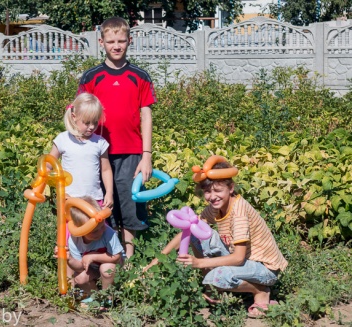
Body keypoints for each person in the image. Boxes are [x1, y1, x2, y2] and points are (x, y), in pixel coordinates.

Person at [145, 160, 288, 318]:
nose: (212, 197)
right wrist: (154, 262)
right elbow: (189, 230)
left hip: (264, 268)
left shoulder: (238, 213)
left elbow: (239, 258)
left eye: (218, 191)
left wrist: (199, 263)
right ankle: (213, 285)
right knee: (195, 233)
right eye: (207, 192)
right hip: (243, 260)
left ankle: (259, 290)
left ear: (231, 188)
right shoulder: (216, 207)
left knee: (216, 277)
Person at [76, 17, 157, 258]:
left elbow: (147, 116)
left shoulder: (139, 76)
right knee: (101, 204)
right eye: (111, 41)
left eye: (121, 40)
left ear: (130, 41)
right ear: (101, 42)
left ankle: (129, 259)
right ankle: (106, 255)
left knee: (130, 204)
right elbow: (78, 111)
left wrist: (146, 155)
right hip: (97, 152)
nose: (116, 45)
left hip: (132, 152)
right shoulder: (91, 77)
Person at [49, 92, 113, 209]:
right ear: (74, 117)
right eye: (87, 122)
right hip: (68, 198)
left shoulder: (100, 142)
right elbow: (49, 163)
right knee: (70, 227)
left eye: (95, 122)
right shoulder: (63, 139)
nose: (92, 127)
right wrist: (53, 185)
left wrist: (109, 193)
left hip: (94, 199)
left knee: (96, 226)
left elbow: (106, 170)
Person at [67, 196, 124, 301]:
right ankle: (97, 298)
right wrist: (70, 260)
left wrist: (92, 256)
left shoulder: (108, 233)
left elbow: (117, 257)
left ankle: (108, 298)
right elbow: (80, 267)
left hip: (114, 268)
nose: (101, 231)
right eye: (94, 231)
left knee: (107, 269)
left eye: (102, 226)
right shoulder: (74, 240)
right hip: (93, 270)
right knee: (80, 278)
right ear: (81, 230)